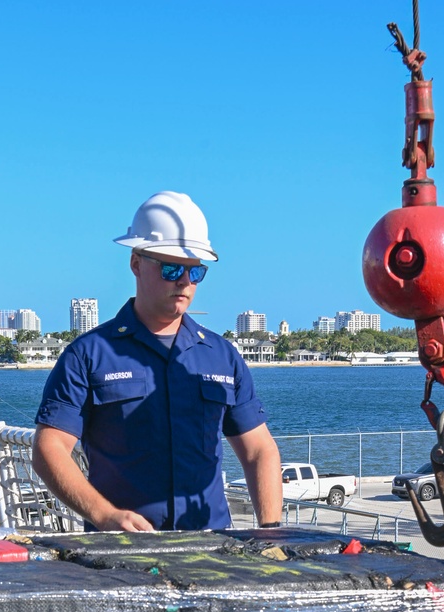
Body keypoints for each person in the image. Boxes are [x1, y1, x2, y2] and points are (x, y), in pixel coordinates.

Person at [33, 191, 283, 532]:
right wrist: (104, 515)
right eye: (171, 268)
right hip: (123, 551)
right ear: (136, 263)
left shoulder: (222, 356)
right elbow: (50, 446)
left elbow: (259, 452)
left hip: (210, 549)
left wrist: (271, 530)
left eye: (195, 272)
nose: (184, 281)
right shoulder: (88, 354)